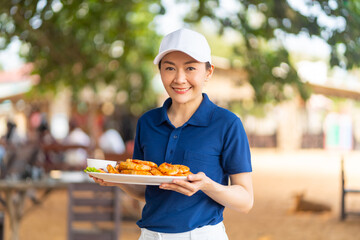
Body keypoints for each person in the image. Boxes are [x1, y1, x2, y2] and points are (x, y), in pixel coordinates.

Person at [91, 28, 253, 240]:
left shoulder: (227, 124)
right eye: (169, 68)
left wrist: (207, 185)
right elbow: (148, 192)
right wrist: (117, 180)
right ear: (160, 72)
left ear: (208, 72)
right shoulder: (147, 123)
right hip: (150, 235)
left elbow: (245, 200)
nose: (179, 79)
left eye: (190, 68)